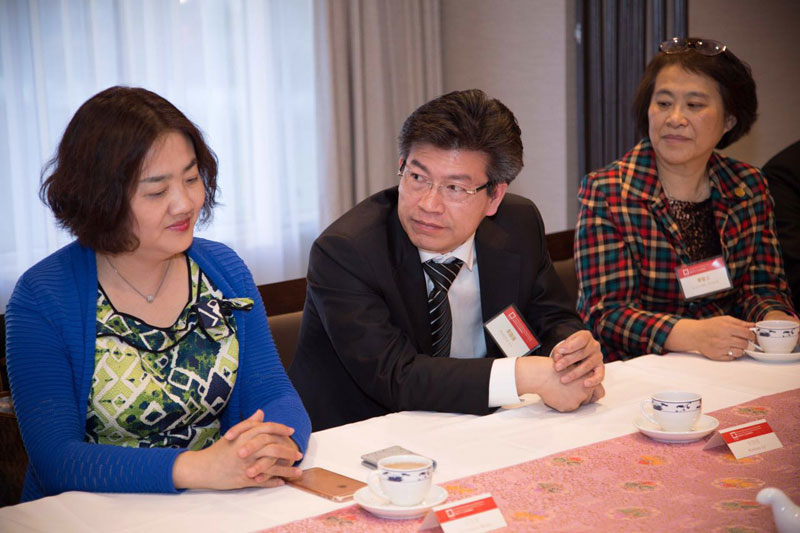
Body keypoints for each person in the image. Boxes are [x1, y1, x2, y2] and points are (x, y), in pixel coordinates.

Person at [6, 87, 311, 501]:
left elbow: (275, 394)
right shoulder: (43, 297)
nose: (184, 203)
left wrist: (276, 447)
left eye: (191, 178)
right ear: (101, 200)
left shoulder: (223, 270)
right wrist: (198, 468)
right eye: (156, 191)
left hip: (214, 504)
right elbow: (57, 460)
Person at [289, 89, 605, 431]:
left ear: (494, 196)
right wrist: (524, 376)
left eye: (455, 188)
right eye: (417, 177)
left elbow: (552, 317)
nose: (428, 204)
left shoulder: (518, 224)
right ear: (402, 166)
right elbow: (396, 377)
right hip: (364, 434)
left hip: (484, 426)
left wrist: (571, 358)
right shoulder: (346, 251)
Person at [575, 37, 797, 362]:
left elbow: (762, 287)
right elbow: (608, 314)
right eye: (664, 103)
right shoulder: (608, 191)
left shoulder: (748, 186)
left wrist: (775, 321)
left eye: (694, 105)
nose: (675, 118)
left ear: (729, 120)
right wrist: (694, 335)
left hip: (732, 363)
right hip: (641, 370)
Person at [762, 140, 800, 311]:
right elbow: (792, 270)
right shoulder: (785, 172)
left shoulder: (746, 180)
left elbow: (760, 290)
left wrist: (772, 312)